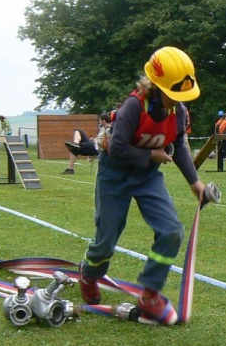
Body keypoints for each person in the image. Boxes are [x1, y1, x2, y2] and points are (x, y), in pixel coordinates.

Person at [77, 46, 206, 324]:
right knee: (106, 238)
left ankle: (150, 293)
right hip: (115, 175)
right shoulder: (134, 106)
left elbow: (179, 144)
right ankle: (89, 274)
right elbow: (117, 148)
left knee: (172, 230)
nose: (179, 101)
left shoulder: (178, 111)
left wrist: (194, 182)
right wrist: (151, 155)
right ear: (157, 86)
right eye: (174, 94)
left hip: (147, 177)